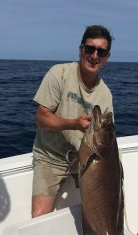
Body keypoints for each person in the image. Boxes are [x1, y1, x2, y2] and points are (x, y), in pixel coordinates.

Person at [32, 25, 114, 217]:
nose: (94, 56)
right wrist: (73, 124)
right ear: (80, 49)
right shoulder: (59, 73)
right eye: (89, 49)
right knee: (39, 218)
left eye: (101, 52)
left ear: (107, 57)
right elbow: (41, 118)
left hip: (86, 159)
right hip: (50, 157)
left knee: (106, 206)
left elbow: (108, 138)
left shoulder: (106, 95)